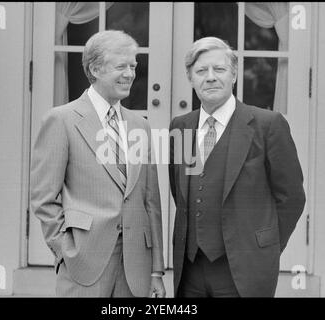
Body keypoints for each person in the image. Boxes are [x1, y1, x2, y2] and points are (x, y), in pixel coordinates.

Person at [31, 30, 165, 297]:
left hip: (136, 269)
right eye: (121, 66)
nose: (130, 74)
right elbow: (43, 198)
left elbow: (151, 202)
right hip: (83, 264)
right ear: (95, 68)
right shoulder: (62, 120)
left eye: (133, 66)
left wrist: (156, 271)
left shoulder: (141, 125)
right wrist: (65, 250)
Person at [169, 37, 306, 297]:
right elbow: (181, 192)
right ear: (190, 77)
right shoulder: (181, 126)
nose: (210, 77)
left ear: (233, 75)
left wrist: (265, 245)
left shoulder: (268, 125)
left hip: (245, 269)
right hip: (190, 270)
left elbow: (291, 198)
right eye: (201, 71)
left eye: (219, 70)